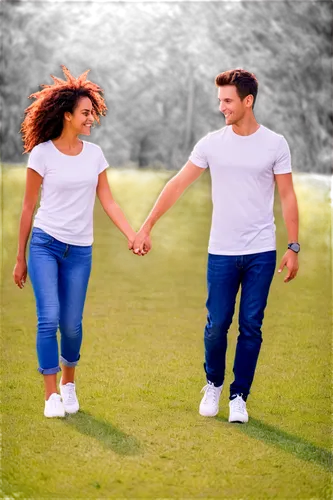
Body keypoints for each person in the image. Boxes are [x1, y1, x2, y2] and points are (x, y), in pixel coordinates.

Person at [132, 68, 300, 423]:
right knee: (217, 324)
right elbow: (178, 184)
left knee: (251, 325)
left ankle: (239, 396)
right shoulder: (211, 143)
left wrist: (293, 245)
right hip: (221, 251)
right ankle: (214, 384)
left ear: (247, 100)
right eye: (220, 100)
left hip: (261, 251)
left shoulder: (275, 143)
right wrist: (147, 226)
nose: (222, 107)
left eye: (228, 101)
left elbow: (287, 195)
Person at [12, 65, 147, 418]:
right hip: (44, 244)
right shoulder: (42, 154)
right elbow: (28, 208)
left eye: (93, 112)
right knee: (48, 318)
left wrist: (132, 235)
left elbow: (109, 200)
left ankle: (68, 386)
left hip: (80, 250)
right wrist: (20, 257)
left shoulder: (94, 154)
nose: (91, 118)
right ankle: (49, 396)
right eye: (86, 113)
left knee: (71, 323)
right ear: (67, 115)